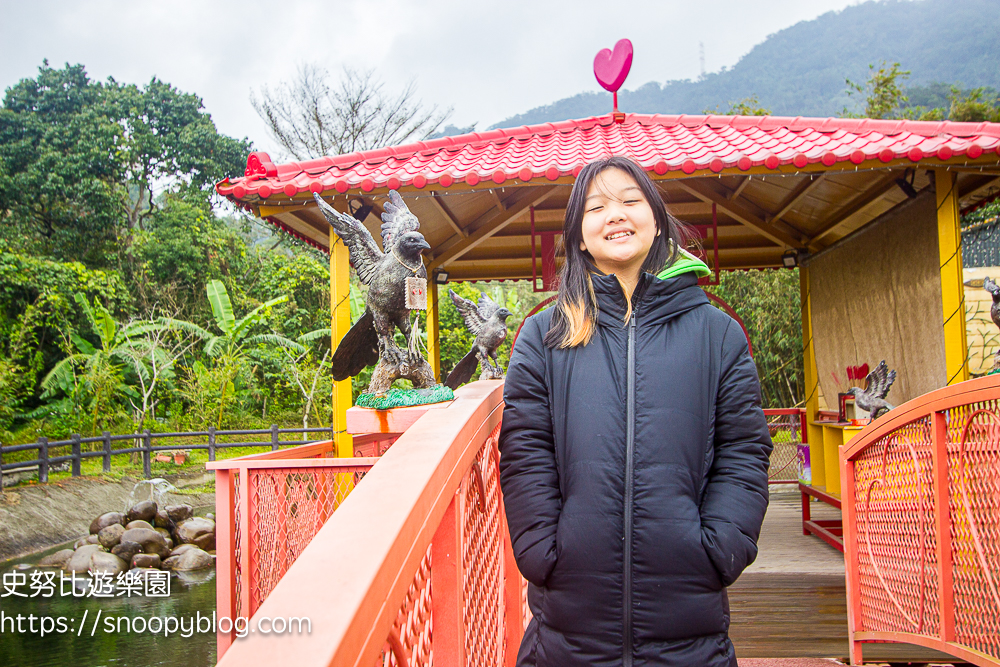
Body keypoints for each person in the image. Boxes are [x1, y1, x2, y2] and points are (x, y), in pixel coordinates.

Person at [498, 155, 773, 667]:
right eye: (597, 206)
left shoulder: (717, 334)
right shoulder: (543, 336)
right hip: (568, 631)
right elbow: (524, 449)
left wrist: (721, 545)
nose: (616, 215)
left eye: (630, 201)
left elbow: (744, 448)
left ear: (657, 220)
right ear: (580, 236)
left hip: (690, 625)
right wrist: (542, 550)